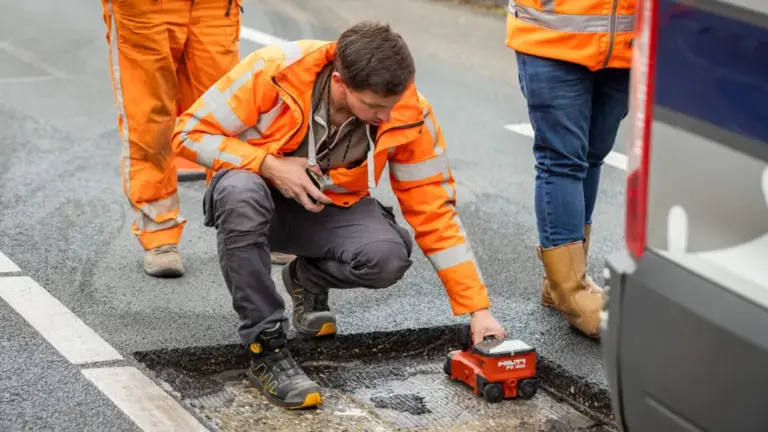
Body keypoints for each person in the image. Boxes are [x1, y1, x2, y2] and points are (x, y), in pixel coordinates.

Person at [170, 21, 507, 409]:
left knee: (387, 256)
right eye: (374, 106)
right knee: (240, 191)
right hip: (253, 202)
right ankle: (267, 347)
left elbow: (433, 208)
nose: (385, 116)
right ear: (339, 82)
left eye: (390, 105)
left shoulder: (408, 112)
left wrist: (478, 311)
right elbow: (188, 133)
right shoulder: (273, 69)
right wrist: (267, 165)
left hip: (324, 210)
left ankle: (305, 278)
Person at [505, 1, 635, 339]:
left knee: (592, 156)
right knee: (563, 160)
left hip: (626, 44)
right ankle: (570, 292)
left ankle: (559, 280)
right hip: (553, 35)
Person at [100, 0, 242, 277]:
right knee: (148, 120)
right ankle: (159, 232)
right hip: (143, 9)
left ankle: (245, 225)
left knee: (229, 115)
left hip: (213, 6)